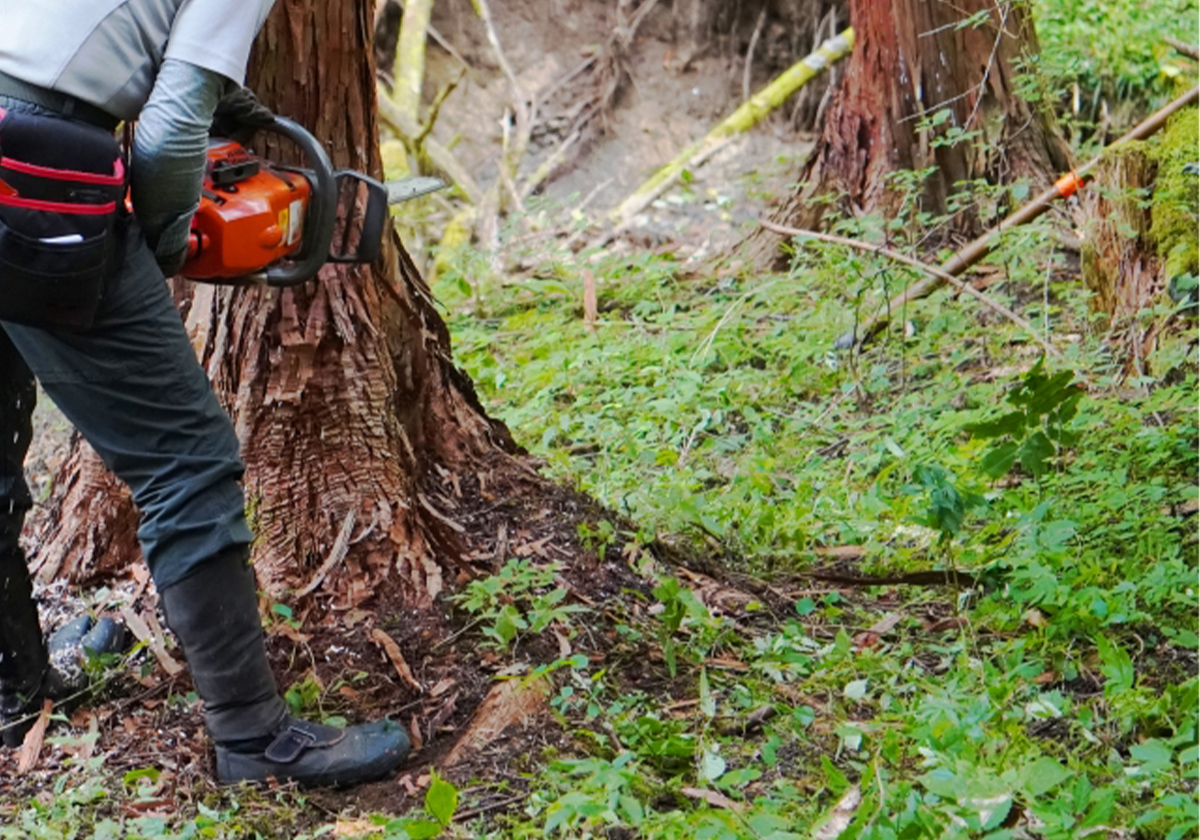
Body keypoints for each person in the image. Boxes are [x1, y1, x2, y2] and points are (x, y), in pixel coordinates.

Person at [0, 1, 410, 787]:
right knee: (186, 461)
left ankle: (13, 687)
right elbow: (166, 134)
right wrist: (158, 248)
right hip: (26, 170)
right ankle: (255, 742)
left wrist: (232, 97)